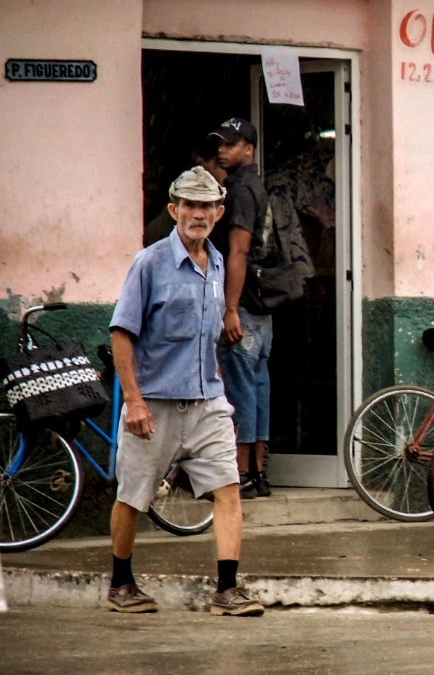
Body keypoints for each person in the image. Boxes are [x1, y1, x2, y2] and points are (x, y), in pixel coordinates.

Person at [107, 166, 263, 616]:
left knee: (228, 488)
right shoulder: (150, 262)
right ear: (174, 210)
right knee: (133, 494)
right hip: (153, 402)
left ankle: (228, 590)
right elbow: (122, 333)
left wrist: (213, 381)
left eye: (206, 206)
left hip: (207, 400)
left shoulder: (216, 263)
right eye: (189, 205)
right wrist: (134, 400)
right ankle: (121, 583)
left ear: (219, 212)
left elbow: (207, 333)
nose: (198, 214)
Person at [209, 118, 273, 499]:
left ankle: (243, 473)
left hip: (244, 308)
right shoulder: (254, 186)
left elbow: (239, 251)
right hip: (259, 311)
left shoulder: (242, 191)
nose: (222, 150)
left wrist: (228, 308)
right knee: (258, 387)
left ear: (248, 149)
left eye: (231, 144)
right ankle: (258, 473)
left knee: (241, 391)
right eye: (220, 144)